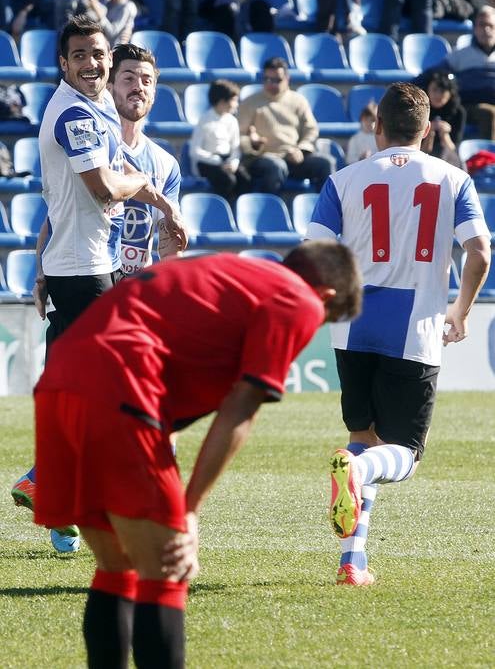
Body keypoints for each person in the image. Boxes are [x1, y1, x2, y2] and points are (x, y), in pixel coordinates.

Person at [33, 240, 362, 668]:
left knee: (118, 567)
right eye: (326, 320)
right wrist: (189, 511)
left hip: (58, 385)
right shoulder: (295, 296)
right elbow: (242, 406)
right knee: (168, 569)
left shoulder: (227, 272)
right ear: (326, 297)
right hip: (119, 387)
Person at [11, 15, 187, 554]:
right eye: (81, 56)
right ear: (64, 64)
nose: (94, 64)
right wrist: (149, 192)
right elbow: (103, 189)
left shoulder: (101, 113)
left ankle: (59, 491)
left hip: (93, 270)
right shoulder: (77, 116)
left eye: (99, 55)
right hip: (85, 271)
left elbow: (77, 200)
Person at [306, 82, 491, 586]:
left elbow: (313, 253)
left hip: (353, 323)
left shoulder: (342, 180)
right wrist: (461, 309)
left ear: (377, 127)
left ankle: (352, 560)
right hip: (415, 325)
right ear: (427, 132)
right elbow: (479, 253)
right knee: (404, 455)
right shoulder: (453, 179)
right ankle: (358, 475)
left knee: (363, 440)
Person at [109, 41, 184, 271]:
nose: (139, 87)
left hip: (136, 289)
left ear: (154, 93)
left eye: (146, 81)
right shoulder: (94, 146)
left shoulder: (166, 163)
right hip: (92, 284)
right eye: (128, 79)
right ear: (109, 88)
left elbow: (169, 240)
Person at [238, 57, 333, 193]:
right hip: (262, 158)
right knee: (276, 166)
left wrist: (301, 149)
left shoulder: (298, 101)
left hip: (293, 156)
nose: (271, 84)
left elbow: (311, 130)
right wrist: (253, 143)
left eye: (277, 80)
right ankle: (271, 211)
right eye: (267, 79)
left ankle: (325, 212)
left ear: (287, 79)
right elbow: (239, 135)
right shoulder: (249, 103)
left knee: (325, 163)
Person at [425, 5, 495, 140]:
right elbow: (433, 74)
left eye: (490, 25)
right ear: (474, 28)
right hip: (471, 106)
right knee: (489, 113)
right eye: (481, 25)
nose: (486, 30)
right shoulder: (460, 55)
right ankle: (489, 158)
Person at [189, 79, 251, 200]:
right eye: (234, 101)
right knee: (227, 180)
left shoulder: (232, 121)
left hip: (226, 161)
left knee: (245, 179)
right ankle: (222, 208)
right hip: (208, 162)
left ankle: (237, 209)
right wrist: (217, 161)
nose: (237, 104)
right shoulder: (205, 120)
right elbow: (194, 151)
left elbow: (235, 147)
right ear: (222, 101)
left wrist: (234, 162)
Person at [417, 70, 466, 165]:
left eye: (442, 91)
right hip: (422, 157)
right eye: (435, 90)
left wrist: (445, 135)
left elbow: (455, 151)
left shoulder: (458, 112)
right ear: (428, 89)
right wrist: (429, 130)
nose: (438, 95)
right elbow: (416, 151)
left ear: (450, 93)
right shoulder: (419, 109)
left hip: (447, 159)